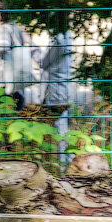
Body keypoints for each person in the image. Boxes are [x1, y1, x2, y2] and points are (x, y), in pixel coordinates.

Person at [34, 28, 77, 158]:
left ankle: (65, 163)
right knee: (61, 129)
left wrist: (31, 47)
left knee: (60, 130)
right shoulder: (68, 36)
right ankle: (64, 162)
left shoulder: (59, 39)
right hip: (63, 90)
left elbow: (43, 62)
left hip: (57, 93)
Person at [0, 4, 36, 112]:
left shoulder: (2, 28)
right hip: (17, 79)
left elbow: (2, 47)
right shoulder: (16, 27)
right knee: (16, 111)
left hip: (3, 79)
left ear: (1, 14)